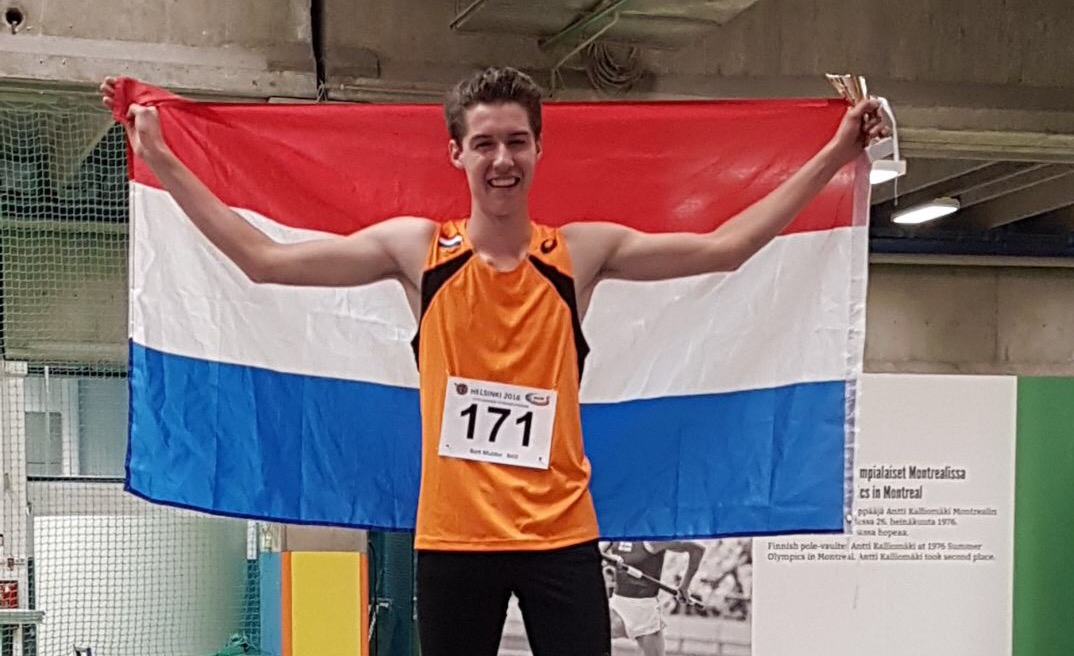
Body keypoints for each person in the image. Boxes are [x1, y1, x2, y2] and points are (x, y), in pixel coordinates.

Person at [100, 67, 886, 656]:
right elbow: (263, 259)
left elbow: (727, 247)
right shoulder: (418, 251)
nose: (501, 159)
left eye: (515, 141)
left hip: (560, 537)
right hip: (455, 543)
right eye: (484, 143)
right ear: (457, 153)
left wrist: (836, 152)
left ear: (538, 149)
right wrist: (162, 158)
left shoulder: (579, 254)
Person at [605, 540, 706, 656]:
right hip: (618, 606)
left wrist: (684, 586)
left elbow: (698, 549)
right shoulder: (614, 536)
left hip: (644, 613)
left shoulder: (652, 541)